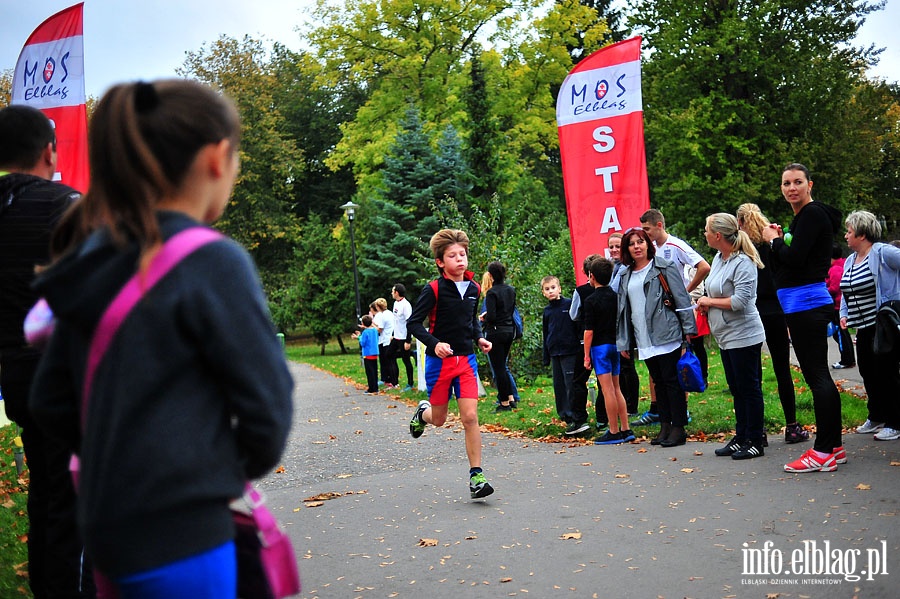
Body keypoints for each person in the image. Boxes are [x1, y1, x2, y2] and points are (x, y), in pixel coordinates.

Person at [28, 80, 294, 597]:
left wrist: (120, 457)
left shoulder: (96, 253)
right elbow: (267, 408)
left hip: (106, 527)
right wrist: (206, 474)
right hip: (185, 530)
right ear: (218, 158)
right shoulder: (212, 260)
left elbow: (50, 399)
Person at [0, 105, 95, 598]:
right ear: (48, 151)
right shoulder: (68, 206)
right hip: (67, 375)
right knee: (74, 497)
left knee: (48, 493)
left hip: (15, 375)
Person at [762, 163, 844, 473]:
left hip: (806, 304)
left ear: (810, 184)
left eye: (798, 182)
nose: (791, 188)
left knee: (817, 377)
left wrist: (774, 241)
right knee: (820, 376)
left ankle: (823, 451)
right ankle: (834, 446)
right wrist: (778, 244)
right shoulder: (802, 219)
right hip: (801, 303)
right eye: (786, 183)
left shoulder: (811, 215)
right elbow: (782, 266)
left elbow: (792, 260)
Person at [407, 229, 494, 499]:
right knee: (440, 420)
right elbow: (413, 324)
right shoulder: (433, 289)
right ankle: (423, 413)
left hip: (466, 360)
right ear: (440, 262)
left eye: (463, 254)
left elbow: (470, 322)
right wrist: (434, 344)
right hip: (439, 363)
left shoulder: (474, 288)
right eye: (452, 256)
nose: (460, 259)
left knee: (470, 417)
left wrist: (479, 338)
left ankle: (476, 476)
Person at [616, 228, 697, 447]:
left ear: (647, 244)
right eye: (632, 243)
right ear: (627, 249)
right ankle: (665, 426)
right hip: (643, 336)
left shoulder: (664, 266)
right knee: (658, 382)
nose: (637, 247)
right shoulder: (625, 274)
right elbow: (623, 311)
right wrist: (624, 341)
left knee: (672, 381)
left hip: (667, 332)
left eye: (640, 242)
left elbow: (681, 299)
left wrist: (688, 331)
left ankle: (678, 428)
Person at [736, 203, 809, 444]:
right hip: (776, 309)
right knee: (781, 368)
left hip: (752, 310)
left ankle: (758, 430)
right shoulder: (771, 244)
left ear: (740, 223)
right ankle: (792, 425)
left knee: (753, 372)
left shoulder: (743, 249)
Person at [697, 214, 767, 460]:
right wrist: (707, 304)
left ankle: (756, 439)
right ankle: (742, 435)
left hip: (744, 335)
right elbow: (713, 290)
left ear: (718, 235)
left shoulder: (743, 262)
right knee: (736, 389)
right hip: (725, 335)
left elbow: (740, 301)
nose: (704, 233)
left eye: (706, 230)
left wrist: (709, 301)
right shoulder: (718, 258)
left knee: (749, 389)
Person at [839, 211, 900, 440]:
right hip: (862, 326)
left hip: (883, 325)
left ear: (862, 234)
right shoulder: (849, 260)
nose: (846, 235)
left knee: (887, 373)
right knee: (867, 371)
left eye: (850, 231)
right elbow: (846, 291)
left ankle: (895, 422)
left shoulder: (883, 253)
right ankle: (876, 416)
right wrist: (844, 314)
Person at [640, 208, 711, 383]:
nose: (645, 233)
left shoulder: (676, 245)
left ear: (659, 225)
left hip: (676, 308)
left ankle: (688, 388)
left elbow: (704, 267)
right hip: (658, 307)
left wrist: (684, 291)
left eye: (647, 229)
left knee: (682, 349)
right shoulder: (651, 248)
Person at [583, 257, 635, 445]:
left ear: (592, 277)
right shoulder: (616, 297)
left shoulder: (590, 300)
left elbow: (589, 332)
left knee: (607, 390)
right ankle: (625, 428)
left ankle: (613, 430)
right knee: (617, 387)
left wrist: (586, 355)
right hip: (616, 345)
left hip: (600, 348)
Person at [540, 275, 582, 426]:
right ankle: (563, 413)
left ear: (559, 289)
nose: (551, 291)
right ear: (543, 292)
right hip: (554, 351)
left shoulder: (569, 305)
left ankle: (573, 412)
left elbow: (577, 326)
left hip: (569, 350)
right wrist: (546, 354)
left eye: (553, 288)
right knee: (559, 384)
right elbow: (546, 332)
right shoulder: (547, 311)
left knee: (570, 383)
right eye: (547, 289)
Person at [568, 254, 602, 435]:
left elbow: (573, 314)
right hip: (606, 340)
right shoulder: (610, 291)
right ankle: (605, 418)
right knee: (606, 382)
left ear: (585, 272)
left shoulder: (580, 291)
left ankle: (579, 418)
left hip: (585, 341)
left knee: (579, 380)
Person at [608, 233, 640, 415]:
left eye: (617, 246)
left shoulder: (626, 267)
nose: (613, 250)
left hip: (627, 318)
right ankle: (624, 402)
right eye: (611, 247)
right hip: (615, 319)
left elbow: (614, 291)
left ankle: (631, 405)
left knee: (627, 363)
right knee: (620, 363)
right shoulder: (612, 266)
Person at [482, 261, 518, 411]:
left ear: (490, 275)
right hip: (509, 330)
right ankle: (510, 397)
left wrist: (483, 317)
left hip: (495, 332)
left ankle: (504, 402)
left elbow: (492, 316)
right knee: (503, 366)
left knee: (499, 369)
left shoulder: (492, 293)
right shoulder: (511, 290)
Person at [827, 243, 856, 369]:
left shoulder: (835, 269)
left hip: (838, 307)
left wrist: (824, 288)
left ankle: (846, 359)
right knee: (842, 334)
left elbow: (835, 288)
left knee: (840, 334)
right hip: (840, 305)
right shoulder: (842, 265)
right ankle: (848, 358)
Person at [391, 284, 415, 391]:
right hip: (396, 336)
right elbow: (395, 320)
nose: (391, 293)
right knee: (388, 355)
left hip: (404, 337)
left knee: (406, 361)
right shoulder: (395, 303)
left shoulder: (406, 305)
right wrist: (392, 334)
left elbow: (409, 323)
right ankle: (394, 381)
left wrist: (408, 340)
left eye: (393, 291)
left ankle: (410, 383)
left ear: (397, 292)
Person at [372, 298, 397, 388]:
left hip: (385, 339)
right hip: (390, 337)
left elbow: (379, 329)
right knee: (390, 361)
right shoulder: (390, 313)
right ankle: (391, 380)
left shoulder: (383, 315)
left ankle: (390, 380)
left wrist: (371, 324)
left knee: (387, 361)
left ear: (378, 307)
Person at [353, 314, 380, 394]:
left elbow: (363, 343)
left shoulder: (365, 332)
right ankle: (376, 387)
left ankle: (371, 388)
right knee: (374, 370)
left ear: (363, 324)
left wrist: (358, 337)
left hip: (367, 353)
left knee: (369, 371)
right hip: (375, 352)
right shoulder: (375, 330)